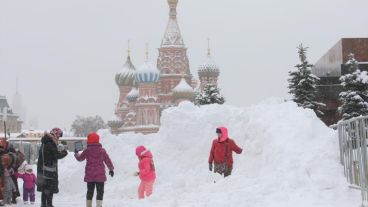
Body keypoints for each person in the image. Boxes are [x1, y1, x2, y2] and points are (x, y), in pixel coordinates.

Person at [74, 132, 114, 207]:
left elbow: (80, 158)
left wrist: (76, 153)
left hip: (90, 175)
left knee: (90, 192)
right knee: (100, 192)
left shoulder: (87, 150)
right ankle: (99, 205)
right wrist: (111, 169)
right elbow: (107, 160)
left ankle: (88, 205)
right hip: (100, 175)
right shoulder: (102, 150)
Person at [37, 128, 68, 207]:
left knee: (45, 189)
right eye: (59, 136)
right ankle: (49, 204)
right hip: (48, 170)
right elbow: (56, 155)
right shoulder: (50, 143)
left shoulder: (46, 142)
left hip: (43, 169)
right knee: (49, 189)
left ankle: (44, 204)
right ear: (55, 134)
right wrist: (65, 152)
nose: (59, 138)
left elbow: (51, 155)